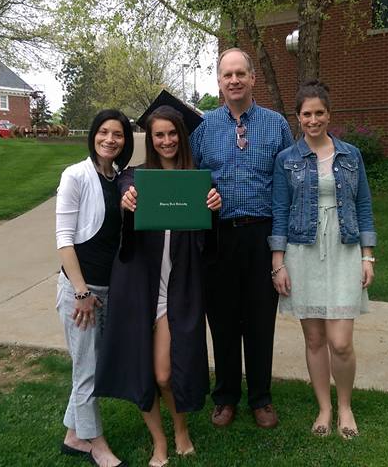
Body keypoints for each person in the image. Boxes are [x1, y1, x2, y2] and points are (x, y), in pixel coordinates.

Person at [95, 105, 221, 467]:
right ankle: (160, 441)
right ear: (150, 140)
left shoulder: (199, 182)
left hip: (174, 290)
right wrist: (127, 204)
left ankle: (181, 430)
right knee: (141, 369)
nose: (166, 141)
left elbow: (208, 250)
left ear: (182, 136)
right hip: (137, 289)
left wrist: (213, 213)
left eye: (172, 133)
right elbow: (125, 228)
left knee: (165, 373)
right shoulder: (134, 179)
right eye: (158, 135)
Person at [191, 48, 294, 429]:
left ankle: (261, 397)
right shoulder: (204, 128)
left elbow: (285, 189)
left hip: (260, 235)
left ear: (253, 78)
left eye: (240, 73)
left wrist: (279, 247)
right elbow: (189, 179)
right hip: (218, 236)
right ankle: (226, 396)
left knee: (259, 318)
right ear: (218, 83)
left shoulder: (276, 125)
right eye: (226, 75)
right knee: (221, 318)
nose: (234, 80)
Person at [268, 81, 376, 440]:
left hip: (343, 247)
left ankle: (345, 406)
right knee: (314, 339)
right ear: (298, 118)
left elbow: (363, 206)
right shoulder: (287, 159)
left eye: (319, 113)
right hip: (303, 251)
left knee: (340, 341)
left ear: (329, 114)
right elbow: (279, 212)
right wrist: (278, 263)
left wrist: (367, 256)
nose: (312, 119)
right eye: (306, 114)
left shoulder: (351, 155)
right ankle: (324, 408)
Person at [54, 109, 133, 467]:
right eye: (104, 132)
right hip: (80, 291)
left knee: (92, 365)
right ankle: (96, 444)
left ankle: (73, 435)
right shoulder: (76, 175)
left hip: (105, 289)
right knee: (87, 370)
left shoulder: (115, 178)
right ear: (93, 135)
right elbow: (64, 241)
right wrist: (81, 292)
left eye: (117, 134)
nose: (110, 139)